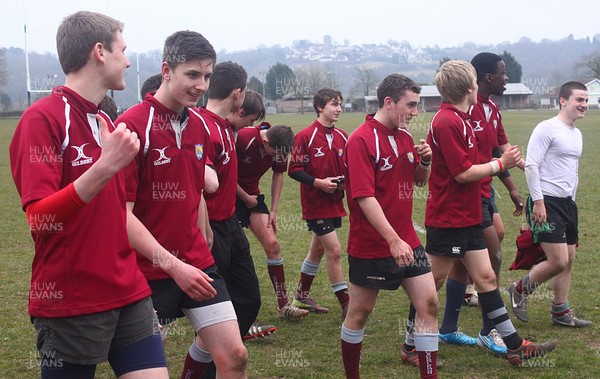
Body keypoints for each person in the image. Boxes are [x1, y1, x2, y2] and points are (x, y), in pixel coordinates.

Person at [9, 11, 168, 378]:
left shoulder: (106, 122)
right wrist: (104, 166)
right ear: (100, 51)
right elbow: (39, 221)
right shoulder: (42, 119)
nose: (128, 60)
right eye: (123, 50)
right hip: (71, 300)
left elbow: (118, 215)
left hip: (129, 292)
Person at [119, 31, 247, 378]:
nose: (201, 85)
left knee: (235, 357)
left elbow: (195, 190)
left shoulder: (200, 126)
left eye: (206, 76)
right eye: (192, 74)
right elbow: (121, 215)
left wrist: (204, 233)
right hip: (145, 271)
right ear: (166, 70)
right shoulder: (132, 126)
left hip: (197, 261)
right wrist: (173, 266)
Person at [424, 60, 557, 366]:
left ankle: (514, 345)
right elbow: (462, 173)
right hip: (449, 218)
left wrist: (515, 166)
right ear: (470, 87)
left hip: (470, 213)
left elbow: (487, 157)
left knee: (485, 277)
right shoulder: (447, 121)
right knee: (431, 284)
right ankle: (410, 342)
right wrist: (501, 165)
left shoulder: (467, 117)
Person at [341, 74, 439, 379]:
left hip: (407, 240)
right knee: (359, 313)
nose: (415, 112)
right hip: (372, 245)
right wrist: (393, 240)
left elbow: (418, 182)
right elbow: (364, 197)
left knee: (430, 304)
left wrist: (425, 162)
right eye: (410, 105)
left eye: (417, 105)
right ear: (388, 102)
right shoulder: (360, 139)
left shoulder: (406, 138)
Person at [437, 52, 527, 356]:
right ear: (481, 81)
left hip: (483, 190)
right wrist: (501, 165)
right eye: (502, 73)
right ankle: (491, 330)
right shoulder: (456, 116)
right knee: (492, 257)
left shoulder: (489, 109)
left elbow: (500, 150)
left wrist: (518, 176)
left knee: (475, 259)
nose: (506, 78)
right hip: (465, 196)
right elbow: (471, 168)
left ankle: (451, 328)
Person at [508, 81, 592, 328]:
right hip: (546, 201)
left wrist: (572, 202)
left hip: (567, 204)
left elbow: (572, 171)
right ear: (563, 100)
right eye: (579, 100)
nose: (584, 105)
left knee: (570, 257)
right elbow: (532, 165)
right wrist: (539, 202)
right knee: (558, 260)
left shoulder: (576, 134)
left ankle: (560, 311)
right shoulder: (547, 128)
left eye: (586, 100)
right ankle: (519, 290)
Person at [200, 62, 262, 345]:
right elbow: (202, 185)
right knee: (212, 314)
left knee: (249, 300)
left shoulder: (227, 126)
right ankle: (214, 363)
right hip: (211, 229)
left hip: (232, 225)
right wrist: (205, 230)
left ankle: (221, 358)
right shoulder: (202, 127)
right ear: (238, 94)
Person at [234, 102, 308, 321]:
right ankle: (230, 313)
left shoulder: (280, 148)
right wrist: (244, 198)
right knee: (231, 254)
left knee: (273, 245)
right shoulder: (243, 138)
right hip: (227, 195)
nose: (277, 157)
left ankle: (283, 305)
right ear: (265, 141)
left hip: (252, 198)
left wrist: (274, 210)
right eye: (274, 153)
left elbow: (278, 175)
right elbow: (223, 172)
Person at [288, 87, 350, 318]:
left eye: (340, 104)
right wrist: (318, 183)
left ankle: (301, 296)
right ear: (320, 107)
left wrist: (344, 184)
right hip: (315, 204)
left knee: (317, 252)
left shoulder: (344, 136)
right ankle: (346, 303)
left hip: (335, 202)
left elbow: (349, 168)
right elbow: (293, 170)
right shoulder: (306, 136)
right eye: (334, 104)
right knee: (334, 251)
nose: (339, 109)